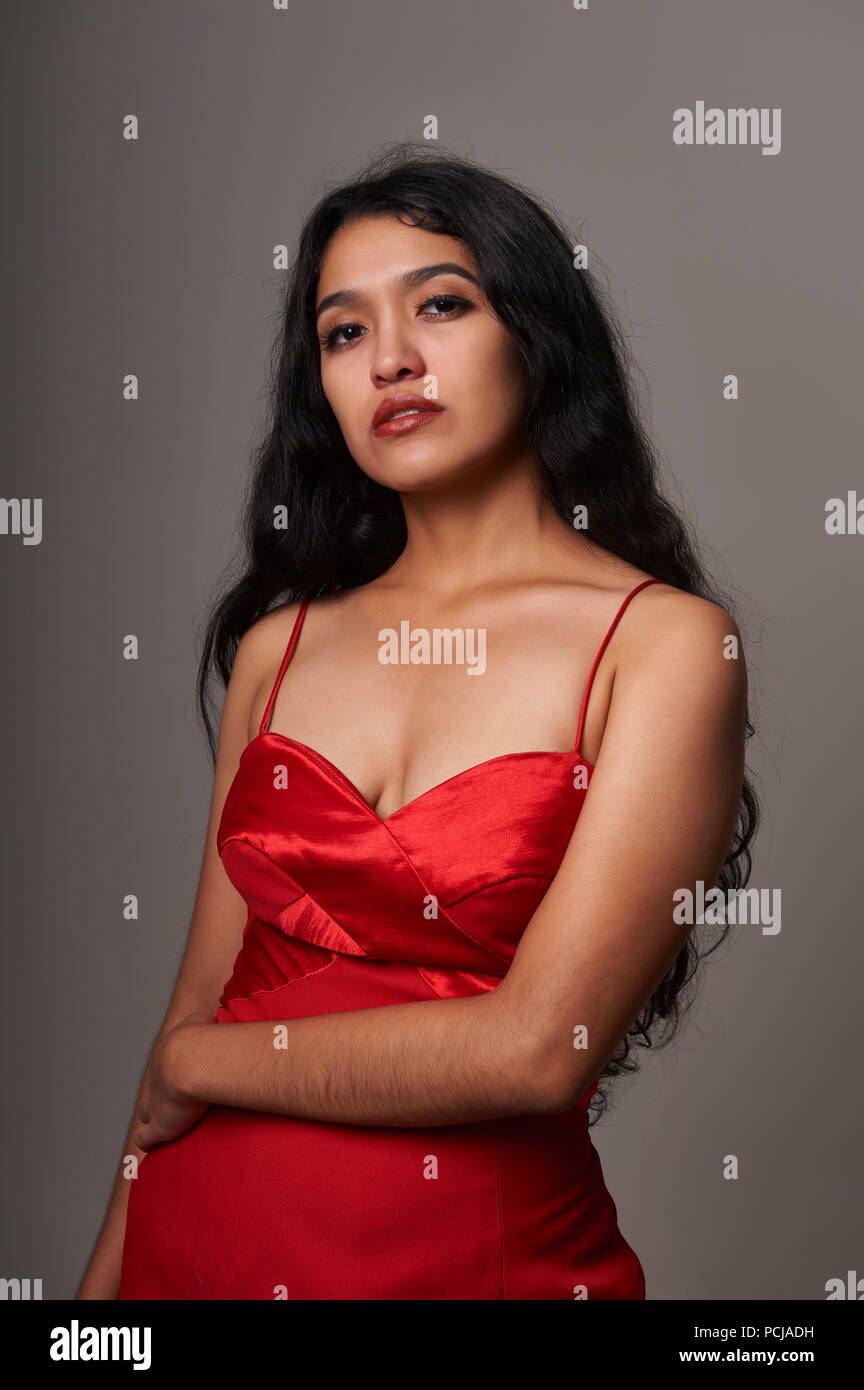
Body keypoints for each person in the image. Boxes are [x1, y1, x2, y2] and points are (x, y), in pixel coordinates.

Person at [78, 144, 757, 1301]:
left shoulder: (663, 645)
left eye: (441, 304)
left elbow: (538, 1049)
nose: (391, 358)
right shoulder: (274, 651)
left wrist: (198, 1062)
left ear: (535, 336)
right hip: (191, 1260)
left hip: (474, 1269)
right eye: (343, 333)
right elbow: (185, 1025)